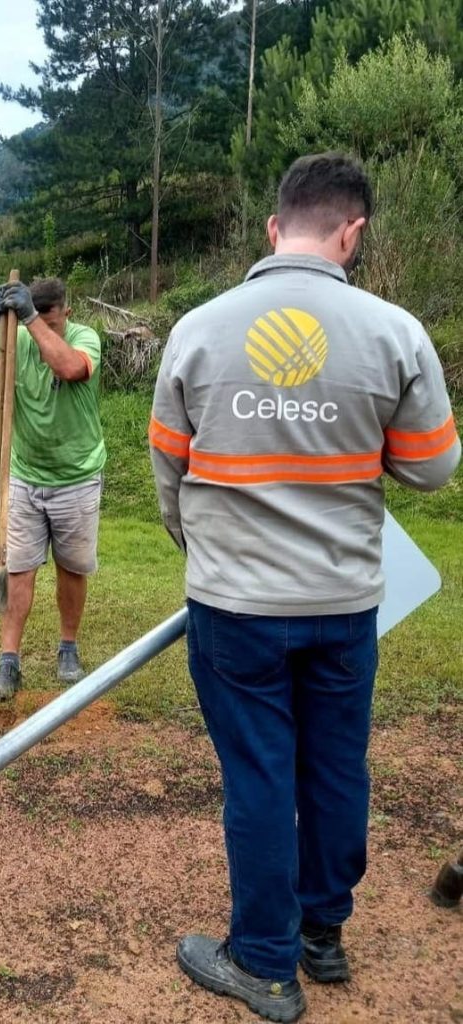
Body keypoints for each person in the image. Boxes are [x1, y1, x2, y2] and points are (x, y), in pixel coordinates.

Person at [149, 152, 461, 1022]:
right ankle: (321, 934)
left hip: (236, 606)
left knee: (258, 774)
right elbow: (433, 471)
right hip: (344, 603)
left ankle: (263, 961)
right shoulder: (394, 331)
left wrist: (204, 548)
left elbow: (167, 477)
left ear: (273, 226)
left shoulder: (200, 328)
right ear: (353, 231)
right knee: (332, 767)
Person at [0, 277, 106, 699]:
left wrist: (31, 320)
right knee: (19, 568)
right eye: (32, 315)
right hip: (25, 474)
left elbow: (69, 368)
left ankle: (68, 649)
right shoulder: (13, 339)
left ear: (65, 313)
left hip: (76, 475)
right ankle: (8, 661)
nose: (41, 324)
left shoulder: (84, 338)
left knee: (71, 568)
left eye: (49, 317)